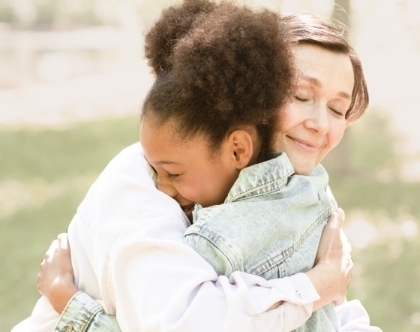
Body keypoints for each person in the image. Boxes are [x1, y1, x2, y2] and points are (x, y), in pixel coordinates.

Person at [16, 2, 379, 332]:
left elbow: (329, 316)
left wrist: (328, 284)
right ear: (255, 90)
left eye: (338, 109)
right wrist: (320, 284)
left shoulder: (301, 193)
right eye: (301, 96)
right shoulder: (144, 181)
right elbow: (187, 322)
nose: (320, 123)